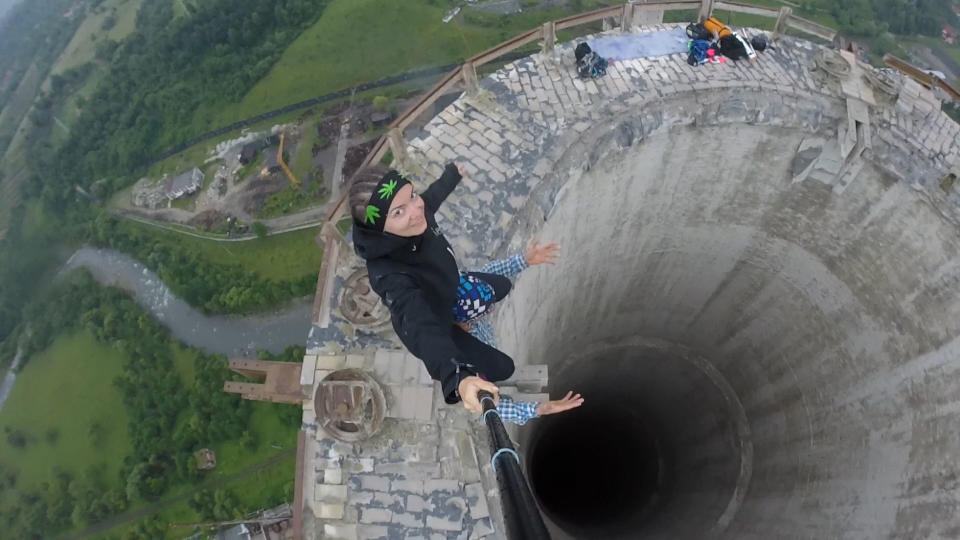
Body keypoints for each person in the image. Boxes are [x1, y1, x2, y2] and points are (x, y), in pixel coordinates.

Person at [348, 163, 583, 419]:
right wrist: (458, 378)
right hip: (437, 325)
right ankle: (468, 362)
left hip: (449, 290)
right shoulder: (389, 275)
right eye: (398, 212)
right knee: (502, 368)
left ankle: (462, 315)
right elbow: (419, 325)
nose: (417, 211)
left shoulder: (418, 216)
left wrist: (452, 175)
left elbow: (431, 199)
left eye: (412, 195)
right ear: (378, 229)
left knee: (501, 286)